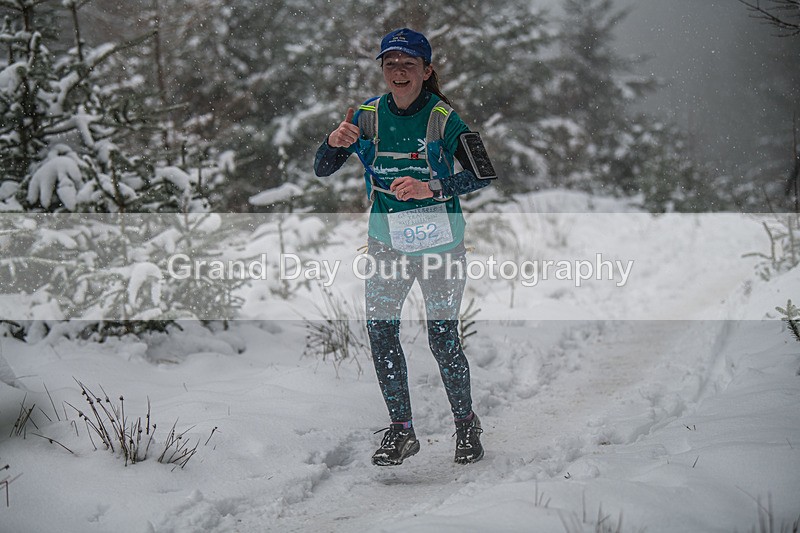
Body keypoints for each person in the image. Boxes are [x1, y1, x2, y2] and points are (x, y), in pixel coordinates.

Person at [314, 28, 495, 466]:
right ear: (382, 68)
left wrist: (430, 187)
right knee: (381, 332)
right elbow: (323, 168)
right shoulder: (366, 116)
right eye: (390, 63)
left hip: (440, 245)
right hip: (386, 244)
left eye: (408, 64)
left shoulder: (443, 118)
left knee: (442, 337)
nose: (398, 71)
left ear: (425, 70)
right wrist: (332, 143)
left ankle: (466, 427)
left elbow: (483, 173)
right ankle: (401, 431)